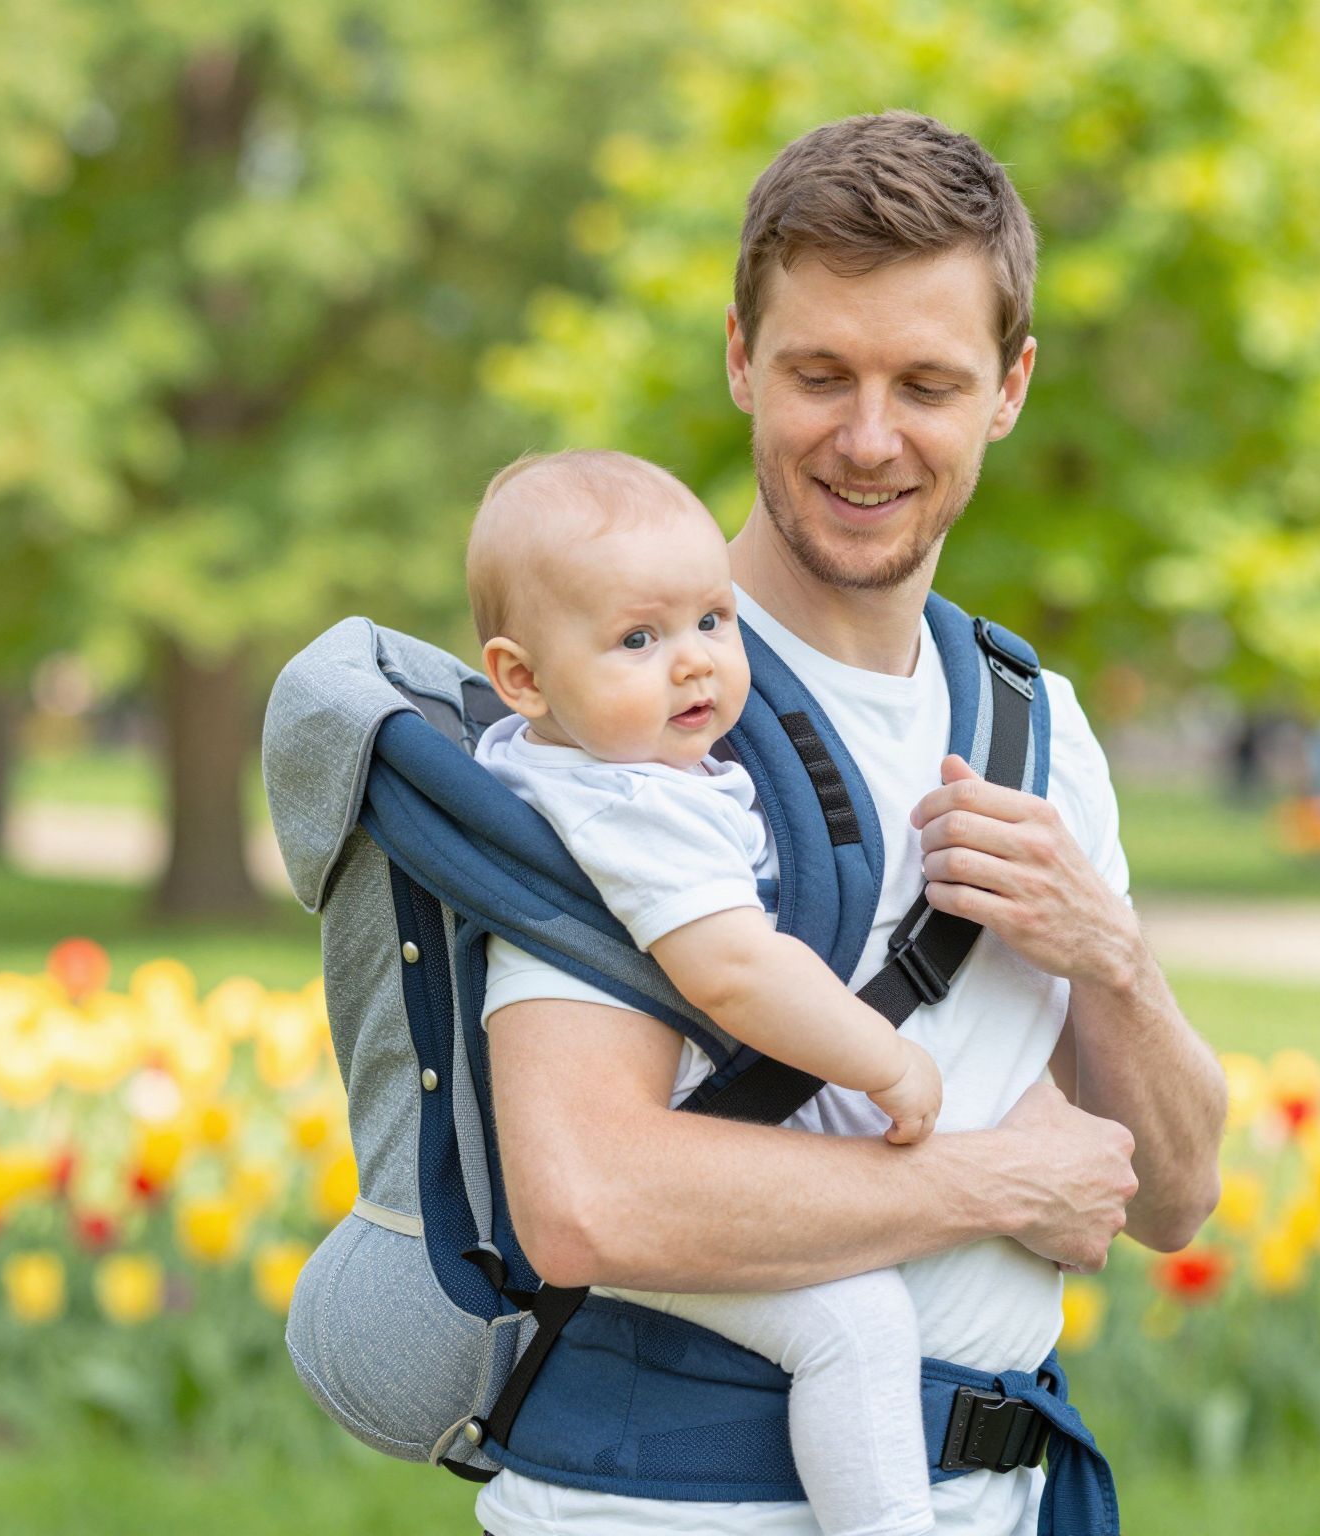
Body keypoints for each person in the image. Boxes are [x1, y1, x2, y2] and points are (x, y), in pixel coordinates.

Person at [478, 111, 1229, 1536]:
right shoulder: (630, 713)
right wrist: (986, 1183)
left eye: (927, 384)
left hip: (1003, 1496)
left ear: (1009, 389)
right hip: (678, 1509)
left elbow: (1172, 1200)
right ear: (740, 359)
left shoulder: (1035, 723)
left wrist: (1110, 955)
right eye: (820, 374)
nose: (868, 438)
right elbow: (585, 1199)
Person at [469, 447, 949, 1536]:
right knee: (856, 1324)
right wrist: (886, 1063)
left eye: (711, 621)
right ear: (523, 679)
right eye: (638, 640)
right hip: (666, 1188)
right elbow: (732, 969)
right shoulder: (627, 805)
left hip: (672, 1161)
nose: (692, 663)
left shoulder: (580, 764)